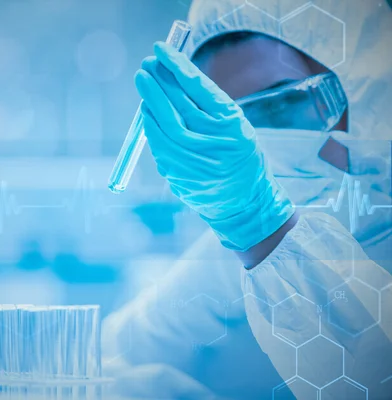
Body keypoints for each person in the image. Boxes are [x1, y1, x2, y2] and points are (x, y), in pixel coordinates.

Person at [102, 0, 392, 398]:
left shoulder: (260, 213)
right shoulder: (236, 245)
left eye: (282, 103)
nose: (251, 145)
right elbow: (119, 355)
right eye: (224, 122)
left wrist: (263, 226)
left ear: (367, 96)